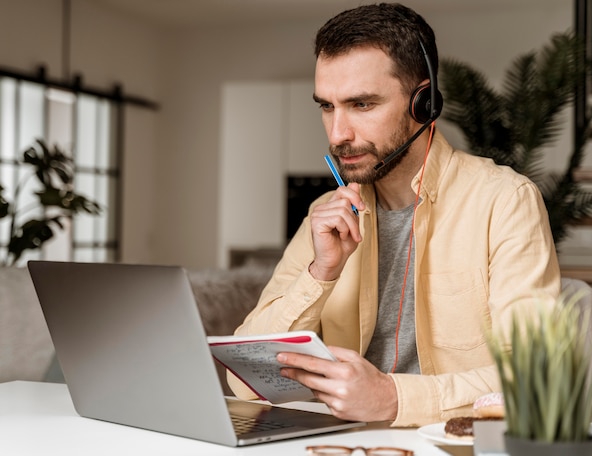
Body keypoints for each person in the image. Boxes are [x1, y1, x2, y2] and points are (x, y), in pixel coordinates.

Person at [228, 2, 561, 427]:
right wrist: (320, 272)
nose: (337, 134)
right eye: (327, 107)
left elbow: (538, 378)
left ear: (423, 102)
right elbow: (244, 376)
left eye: (362, 105)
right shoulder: (325, 213)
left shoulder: (504, 201)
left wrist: (393, 397)